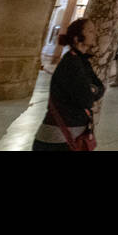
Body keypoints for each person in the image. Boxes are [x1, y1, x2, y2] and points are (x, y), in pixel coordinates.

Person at [33, 18, 104, 151]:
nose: (95, 34)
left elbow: (100, 87)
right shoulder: (71, 63)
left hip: (72, 132)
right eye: (90, 31)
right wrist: (92, 91)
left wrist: (92, 90)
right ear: (77, 39)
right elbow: (86, 98)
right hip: (58, 137)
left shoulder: (82, 60)